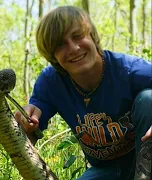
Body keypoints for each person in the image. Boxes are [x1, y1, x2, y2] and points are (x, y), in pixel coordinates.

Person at [15, 6, 152, 180]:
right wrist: (28, 118)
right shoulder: (51, 82)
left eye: (78, 36)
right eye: (60, 45)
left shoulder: (129, 70)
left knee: (148, 99)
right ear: (52, 56)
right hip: (106, 170)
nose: (73, 48)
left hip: (145, 160)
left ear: (92, 35)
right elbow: (34, 117)